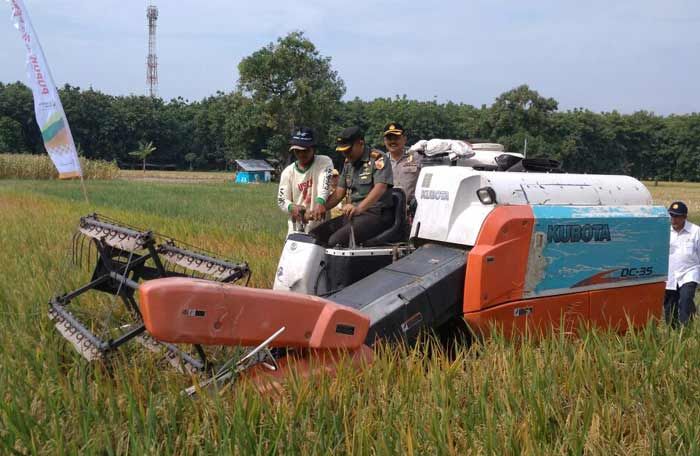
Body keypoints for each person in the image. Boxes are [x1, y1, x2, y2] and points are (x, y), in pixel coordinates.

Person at [310, 126, 394, 246]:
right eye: (342, 151)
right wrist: (322, 207)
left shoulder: (378, 158)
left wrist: (359, 208)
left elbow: (380, 188)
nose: (345, 154)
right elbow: (339, 193)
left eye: (348, 150)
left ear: (361, 143)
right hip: (353, 215)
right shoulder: (348, 163)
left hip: (376, 214)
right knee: (315, 236)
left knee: (336, 241)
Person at [276, 127, 333, 234]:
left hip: (321, 226)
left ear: (313, 149)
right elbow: (281, 200)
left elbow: (324, 184)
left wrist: (320, 202)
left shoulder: (324, 162)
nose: (301, 154)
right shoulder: (288, 172)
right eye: (297, 151)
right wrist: (291, 207)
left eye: (306, 150)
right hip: (296, 228)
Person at [664, 201, 700, 327]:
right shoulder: (664, 231)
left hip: (689, 273)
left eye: (677, 216)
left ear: (685, 217)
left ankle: (686, 329)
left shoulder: (695, 232)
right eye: (671, 215)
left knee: (685, 300)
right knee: (669, 306)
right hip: (669, 274)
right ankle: (672, 331)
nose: (673, 219)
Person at [383, 122, 422, 208]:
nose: (393, 141)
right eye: (389, 138)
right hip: (387, 210)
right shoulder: (380, 161)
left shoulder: (417, 157)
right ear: (384, 141)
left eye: (396, 138)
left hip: (412, 210)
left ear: (404, 139)